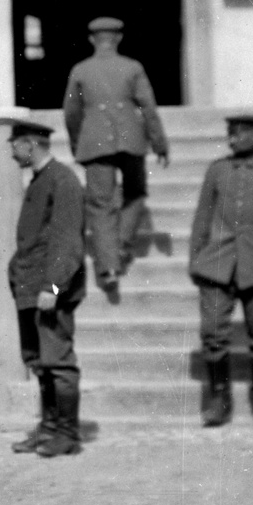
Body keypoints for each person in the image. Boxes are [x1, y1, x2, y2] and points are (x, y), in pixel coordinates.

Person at [188, 114, 253, 425]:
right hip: (217, 264)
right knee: (212, 334)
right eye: (230, 134)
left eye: (238, 134)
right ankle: (219, 397)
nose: (232, 140)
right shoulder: (217, 170)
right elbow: (202, 218)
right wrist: (196, 260)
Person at [62, 17, 169, 297]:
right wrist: (159, 143)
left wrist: (77, 143)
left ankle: (108, 265)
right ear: (119, 38)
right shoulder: (133, 67)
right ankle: (120, 246)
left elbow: (71, 113)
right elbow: (148, 107)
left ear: (91, 40)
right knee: (135, 193)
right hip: (131, 139)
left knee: (100, 204)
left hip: (95, 141)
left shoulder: (81, 70)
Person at [6, 120, 87, 457]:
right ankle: (49, 429)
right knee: (39, 360)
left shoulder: (62, 180)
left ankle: (67, 433)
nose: (11, 151)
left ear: (30, 144)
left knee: (58, 361)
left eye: (15, 144)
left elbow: (67, 241)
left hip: (49, 290)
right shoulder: (40, 180)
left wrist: (53, 287)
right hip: (30, 287)